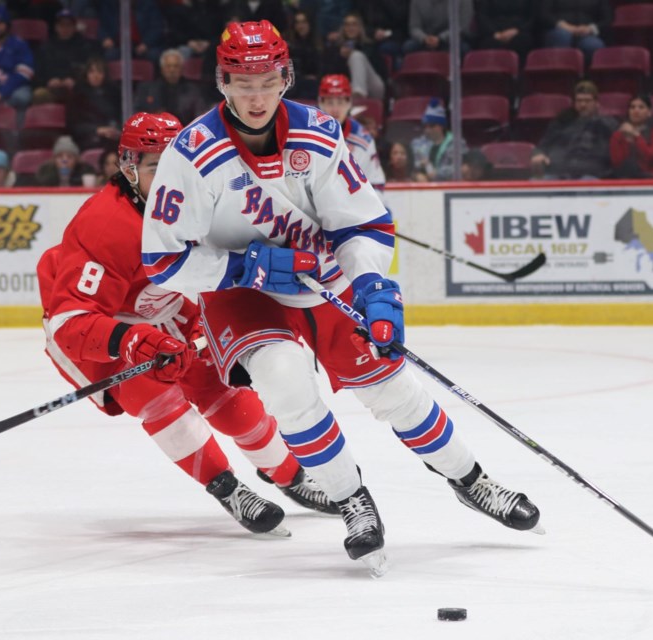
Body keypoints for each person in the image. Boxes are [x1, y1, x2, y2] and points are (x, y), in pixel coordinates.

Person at [141, 20, 542, 575]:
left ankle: (470, 480)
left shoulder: (319, 133)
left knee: (393, 388)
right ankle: (351, 499)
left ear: (286, 78)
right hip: (242, 295)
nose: (255, 96)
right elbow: (163, 260)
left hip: (321, 278)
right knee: (283, 381)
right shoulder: (191, 154)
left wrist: (374, 287)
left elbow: (365, 226)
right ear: (222, 83)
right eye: (242, 82)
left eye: (267, 81)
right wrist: (243, 265)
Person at [37, 112, 337, 536]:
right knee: (157, 397)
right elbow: (71, 322)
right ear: (128, 167)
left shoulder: (201, 198)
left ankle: (291, 475)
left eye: (177, 163)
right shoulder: (105, 225)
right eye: (155, 167)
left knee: (223, 390)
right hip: (106, 327)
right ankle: (227, 487)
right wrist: (132, 341)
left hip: (168, 309)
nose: (170, 178)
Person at [317, 74, 387, 203]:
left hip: (354, 210)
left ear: (349, 103)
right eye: (330, 102)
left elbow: (376, 184)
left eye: (340, 102)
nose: (335, 109)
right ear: (320, 103)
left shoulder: (363, 140)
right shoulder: (307, 134)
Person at [531, 80, 618, 180]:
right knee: (534, 183)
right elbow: (544, 144)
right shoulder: (563, 121)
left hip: (592, 174)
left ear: (596, 103)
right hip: (559, 172)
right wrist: (538, 154)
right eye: (579, 101)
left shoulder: (607, 123)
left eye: (587, 101)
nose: (583, 105)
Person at [32, 9, 100, 104]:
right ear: (56, 27)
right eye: (62, 25)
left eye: (68, 25)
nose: (65, 28)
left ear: (74, 27)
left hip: (78, 89)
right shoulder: (46, 47)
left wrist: (76, 81)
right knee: (39, 94)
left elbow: (90, 70)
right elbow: (38, 72)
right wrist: (48, 81)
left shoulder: (85, 46)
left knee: (90, 94)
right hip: (51, 89)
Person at [320, 12, 388, 101]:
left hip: (374, 87)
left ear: (360, 27)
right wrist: (341, 58)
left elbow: (381, 71)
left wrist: (360, 55)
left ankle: (358, 95)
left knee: (356, 56)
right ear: (343, 28)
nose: (350, 28)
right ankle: (357, 94)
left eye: (354, 24)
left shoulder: (369, 45)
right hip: (346, 89)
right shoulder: (335, 48)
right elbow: (329, 75)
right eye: (347, 25)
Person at [135, 49, 209, 125]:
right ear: (162, 69)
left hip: (184, 132)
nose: (172, 70)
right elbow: (139, 116)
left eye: (176, 66)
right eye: (168, 66)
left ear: (182, 69)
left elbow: (200, 117)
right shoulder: (147, 89)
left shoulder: (193, 90)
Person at [610, 95, 653, 179]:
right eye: (632, 107)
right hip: (627, 180)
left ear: (649, 112)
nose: (636, 110)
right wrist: (625, 141)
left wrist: (636, 135)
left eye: (641, 107)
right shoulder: (618, 135)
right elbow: (618, 163)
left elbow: (651, 156)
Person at [68, 57, 121, 151]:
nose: (95, 75)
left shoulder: (114, 94)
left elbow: (120, 118)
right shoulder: (77, 95)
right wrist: (97, 130)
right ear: (86, 74)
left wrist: (114, 129)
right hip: (87, 138)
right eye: (92, 72)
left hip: (112, 136)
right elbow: (74, 126)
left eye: (99, 72)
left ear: (105, 75)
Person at [410, 98, 462, 181]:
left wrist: (434, 172)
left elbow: (460, 169)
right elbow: (412, 165)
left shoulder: (456, 144)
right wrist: (417, 175)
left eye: (431, 126)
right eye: (425, 126)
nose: (427, 130)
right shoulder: (418, 144)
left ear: (441, 126)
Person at [541, 0, 611, 61]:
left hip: (587, 33)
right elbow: (543, 13)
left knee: (594, 45)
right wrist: (564, 26)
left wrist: (590, 29)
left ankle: (586, 75)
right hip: (558, 30)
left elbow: (608, 18)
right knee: (562, 36)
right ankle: (560, 74)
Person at [403, 0, 473, 57]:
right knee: (409, 47)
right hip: (426, 40)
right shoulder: (417, 2)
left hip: (451, 40)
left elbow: (462, 27)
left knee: (462, 48)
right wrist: (424, 38)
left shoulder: (464, 1)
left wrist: (440, 38)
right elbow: (414, 27)